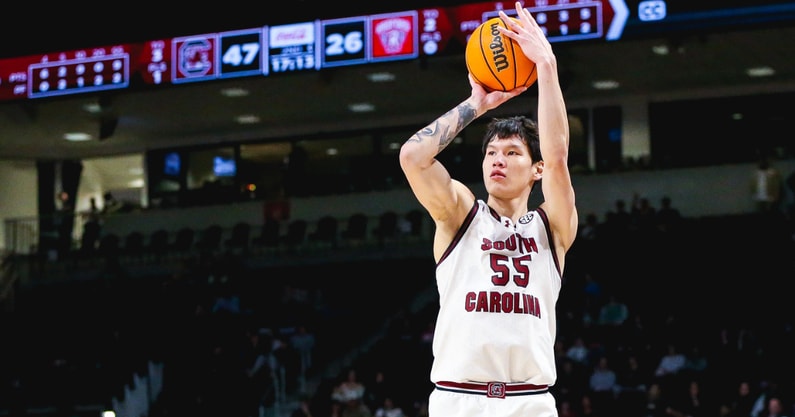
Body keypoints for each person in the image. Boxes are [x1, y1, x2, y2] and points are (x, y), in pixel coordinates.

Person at [399, 3, 577, 417]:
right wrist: (477, 104)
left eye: (512, 152)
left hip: (530, 402)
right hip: (458, 400)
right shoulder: (461, 213)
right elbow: (412, 157)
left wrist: (546, 67)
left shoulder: (552, 227)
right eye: (491, 151)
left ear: (536, 170)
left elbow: (557, 155)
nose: (498, 158)